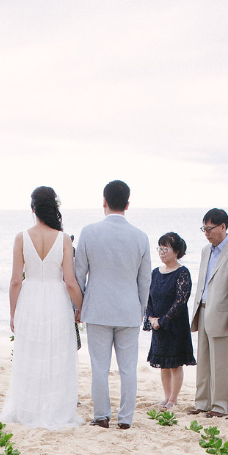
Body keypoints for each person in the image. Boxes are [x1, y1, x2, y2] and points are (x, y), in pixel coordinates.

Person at [0, 186, 83, 429]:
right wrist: (81, 307)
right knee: (56, 353)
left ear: (33, 209)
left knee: (31, 353)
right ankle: (54, 407)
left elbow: (16, 281)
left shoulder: (21, 237)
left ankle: (29, 406)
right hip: (56, 298)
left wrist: (13, 312)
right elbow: (70, 282)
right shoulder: (63, 239)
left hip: (30, 298)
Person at [74, 180, 151, 429]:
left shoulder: (89, 232)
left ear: (104, 202)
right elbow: (145, 281)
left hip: (98, 309)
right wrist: (140, 310)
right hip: (129, 310)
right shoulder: (141, 237)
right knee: (128, 369)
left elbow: (79, 274)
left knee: (99, 367)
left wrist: (78, 306)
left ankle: (101, 416)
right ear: (127, 204)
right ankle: (126, 419)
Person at [188, 209, 228, 418]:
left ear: (223, 227)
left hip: (223, 315)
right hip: (202, 311)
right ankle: (202, 403)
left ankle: (219, 406)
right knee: (203, 361)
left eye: (210, 229)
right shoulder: (205, 251)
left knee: (221, 364)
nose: (206, 233)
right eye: (204, 229)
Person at [144, 232, 194, 408]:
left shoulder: (182, 272)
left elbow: (181, 301)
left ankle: (173, 399)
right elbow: (148, 298)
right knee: (163, 364)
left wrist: (163, 320)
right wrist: (151, 318)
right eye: (160, 248)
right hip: (157, 325)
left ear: (176, 251)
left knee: (175, 364)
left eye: (166, 249)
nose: (162, 252)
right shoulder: (155, 273)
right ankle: (166, 397)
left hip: (175, 325)